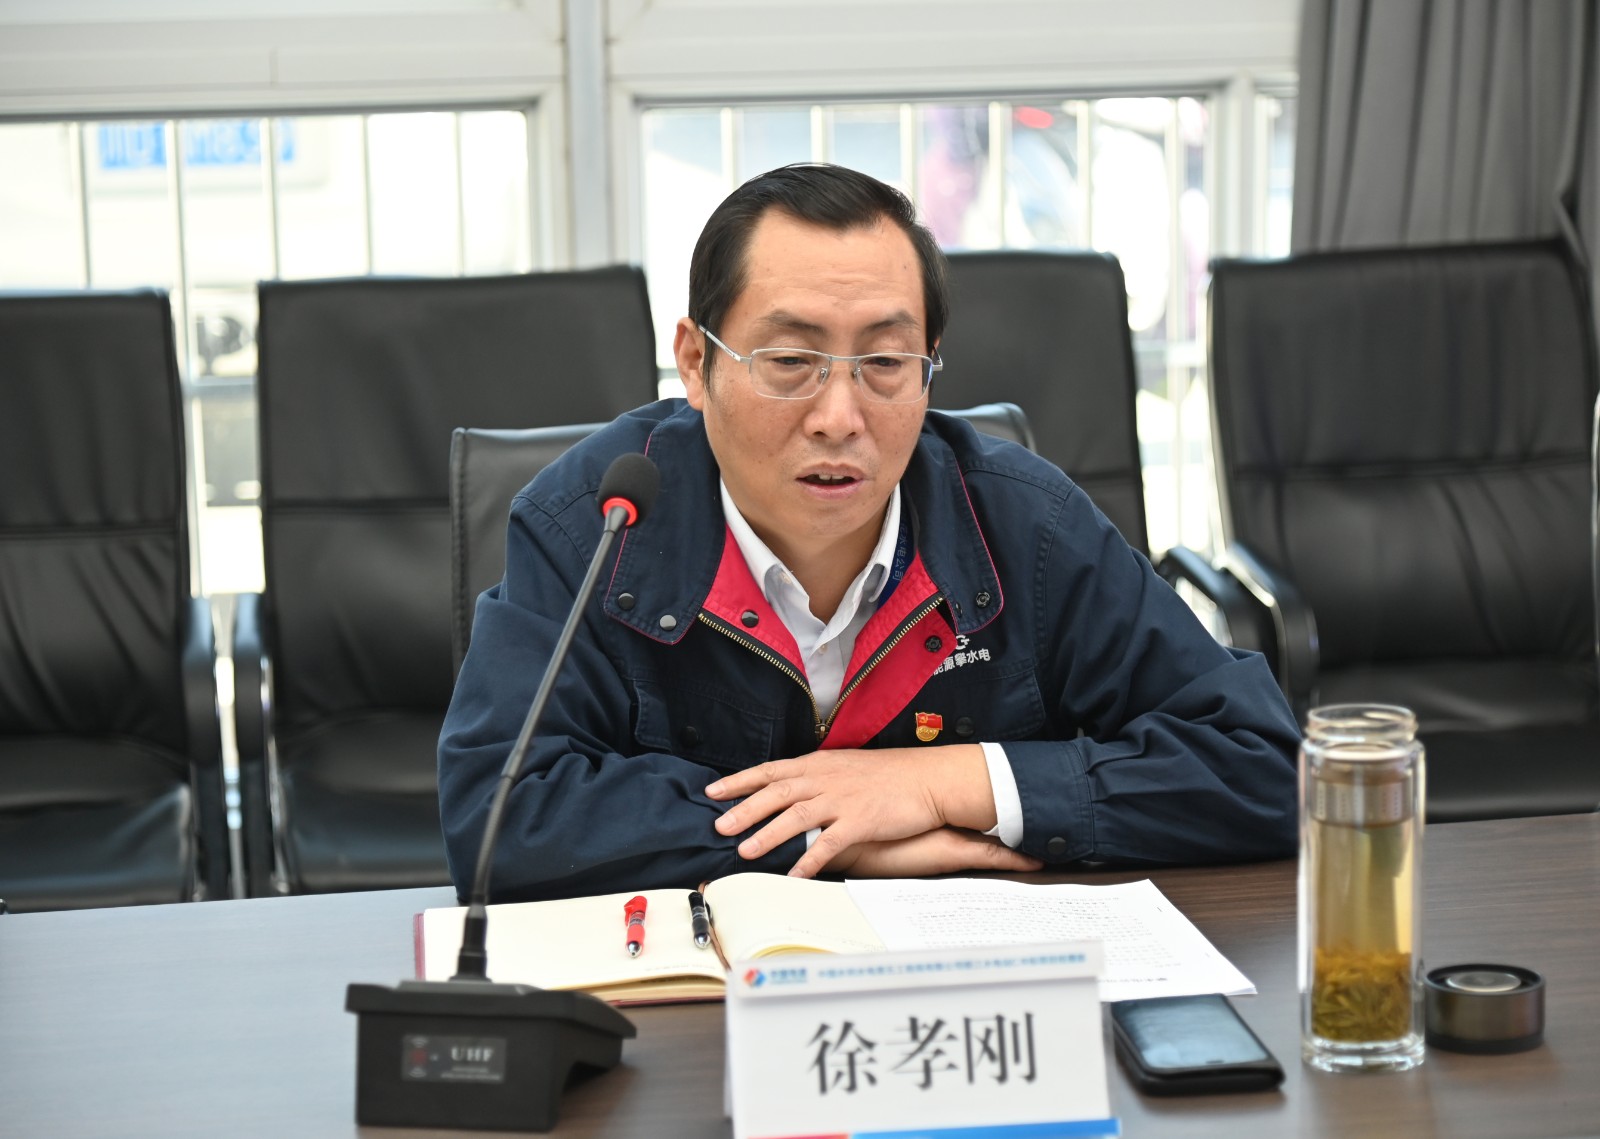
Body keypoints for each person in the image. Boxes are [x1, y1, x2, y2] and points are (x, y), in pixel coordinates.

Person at [438, 163, 1299, 902]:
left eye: (885, 363)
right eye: (790, 362)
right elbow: (498, 812)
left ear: (929, 370)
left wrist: (945, 781)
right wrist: (828, 833)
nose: (839, 417)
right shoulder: (597, 521)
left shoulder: (1023, 522)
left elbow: (1264, 764)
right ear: (697, 364)